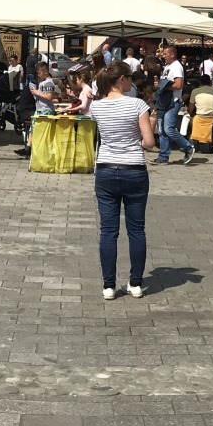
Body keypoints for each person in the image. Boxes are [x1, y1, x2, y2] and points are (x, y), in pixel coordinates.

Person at [90, 62, 157, 299]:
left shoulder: (96, 107)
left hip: (106, 168)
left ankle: (109, 285)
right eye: (130, 77)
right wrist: (146, 131)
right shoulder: (137, 104)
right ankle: (136, 283)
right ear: (121, 80)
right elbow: (149, 143)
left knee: (108, 230)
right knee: (136, 229)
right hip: (134, 169)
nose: (132, 81)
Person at [154, 44, 196, 165]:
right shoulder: (167, 66)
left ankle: (188, 147)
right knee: (162, 130)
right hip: (163, 102)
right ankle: (163, 156)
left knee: (168, 129)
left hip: (173, 102)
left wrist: (164, 87)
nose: (163, 56)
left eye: (165, 54)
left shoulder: (177, 67)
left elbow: (178, 85)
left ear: (172, 54)